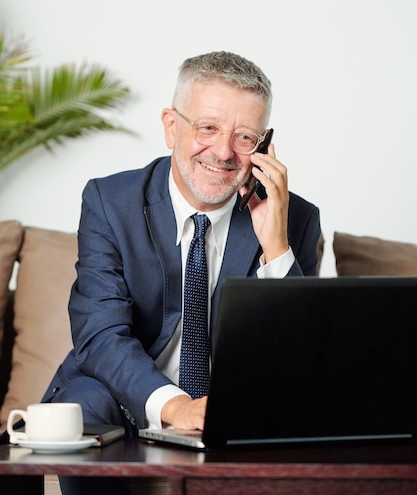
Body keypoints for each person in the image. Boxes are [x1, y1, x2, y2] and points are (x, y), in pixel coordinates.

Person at [41, 51, 322, 494]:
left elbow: (302, 363)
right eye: (207, 127)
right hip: (126, 400)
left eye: (245, 136)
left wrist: (276, 245)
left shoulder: (295, 218)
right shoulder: (110, 202)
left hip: (230, 410)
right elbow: (100, 336)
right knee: (84, 402)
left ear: (264, 145)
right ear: (172, 126)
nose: (224, 152)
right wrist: (177, 407)